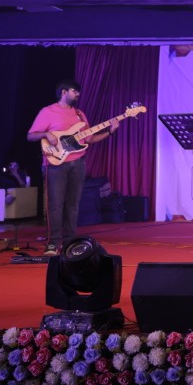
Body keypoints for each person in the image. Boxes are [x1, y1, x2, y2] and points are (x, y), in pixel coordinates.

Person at [26, 79, 117, 256]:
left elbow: (89, 139)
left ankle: (69, 242)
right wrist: (46, 134)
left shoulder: (80, 115)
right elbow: (30, 136)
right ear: (64, 92)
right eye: (75, 91)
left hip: (78, 163)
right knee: (55, 204)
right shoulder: (48, 111)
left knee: (73, 205)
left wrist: (109, 131)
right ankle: (53, 243)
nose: (78, 94)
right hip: (55, 164)